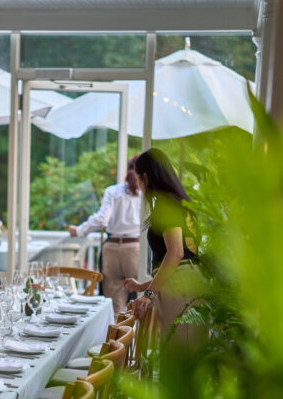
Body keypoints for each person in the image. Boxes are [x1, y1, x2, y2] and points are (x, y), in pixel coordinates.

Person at [123, 147, 203, 344]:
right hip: (187, 281)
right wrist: (143, 286)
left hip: (179, 285)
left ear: (146, 177)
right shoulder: (179, 202)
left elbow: (176, 253)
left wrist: (148, 295)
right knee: (187, 353)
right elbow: (185, 258)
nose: (139, 186)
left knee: (179, 356)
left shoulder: (165, 205)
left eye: (139, 180)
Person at [68, 157, 141, 314]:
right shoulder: (145, 194)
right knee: (140, 302)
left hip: (112, 248)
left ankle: (116, 338)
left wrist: (79, 230)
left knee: (115, 307)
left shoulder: (113, 191)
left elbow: (102, 219)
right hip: (135, 250)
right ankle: (135, 337)